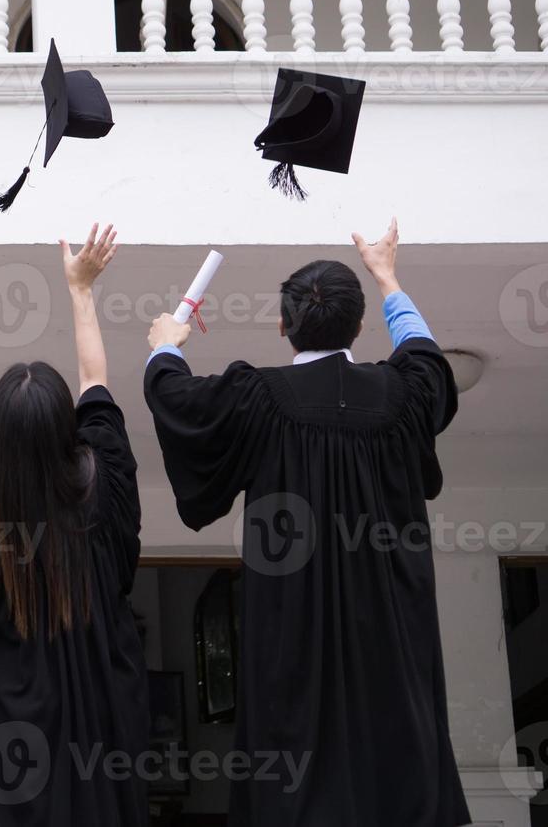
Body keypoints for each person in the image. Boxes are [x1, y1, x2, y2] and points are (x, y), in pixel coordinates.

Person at [144, 219, 469, 827]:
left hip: (290, 630)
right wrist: (387, 275)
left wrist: (167, 343)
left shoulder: (259, 399)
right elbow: (425, 356)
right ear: (359, 325)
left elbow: (178, 400)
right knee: (400, 759)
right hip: (391, 637)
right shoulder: (402, 396)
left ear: (282, 326)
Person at [0, 226, 148, 826]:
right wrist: (81, 290)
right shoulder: (105, 477)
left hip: (22, 753)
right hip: (105, 736)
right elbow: (96, 382)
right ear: (68, 430)